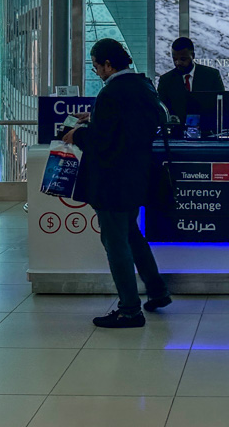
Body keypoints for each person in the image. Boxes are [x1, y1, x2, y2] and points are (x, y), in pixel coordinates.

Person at [62, 38, 171, 329]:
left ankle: (129, 310)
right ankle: (157, 290)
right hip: (137, 178)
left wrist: (79, 134)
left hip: (111, 182)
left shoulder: (111, 94)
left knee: (115, 242)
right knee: (132, 235)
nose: (96, 71)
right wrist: (94, 118)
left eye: (97, 65)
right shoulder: (143, 86)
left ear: (108, 64)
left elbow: (104, 142)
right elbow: (132, 127)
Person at [156, 36, 225, 122]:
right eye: (175, 59)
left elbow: (221, 106)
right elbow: (161, 111)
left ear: (192, 56)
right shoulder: (166, 80)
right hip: (177, 132)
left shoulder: (211, 76)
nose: (178, 63)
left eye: (183, 59)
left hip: (207, 130)